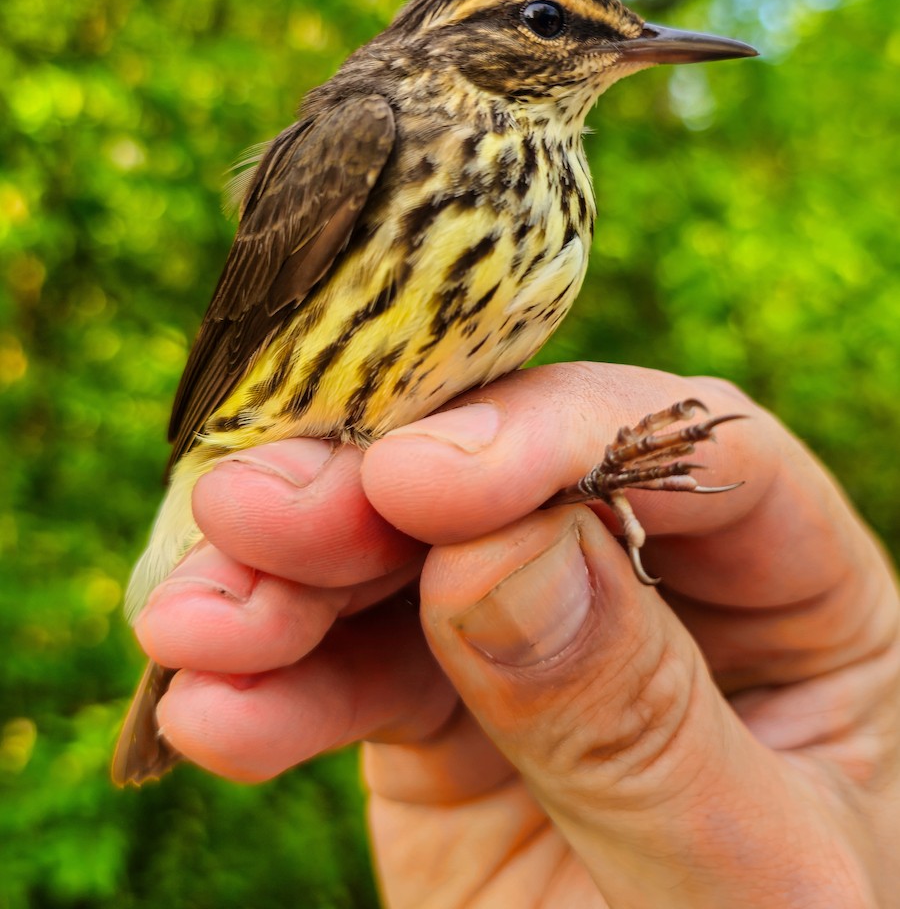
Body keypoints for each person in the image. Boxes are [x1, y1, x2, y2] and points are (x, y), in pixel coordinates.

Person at [131, 363, 899, 907]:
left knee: (458, 487)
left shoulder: (562, 212)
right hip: (285, 441)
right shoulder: (380, 137)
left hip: (380, 502)